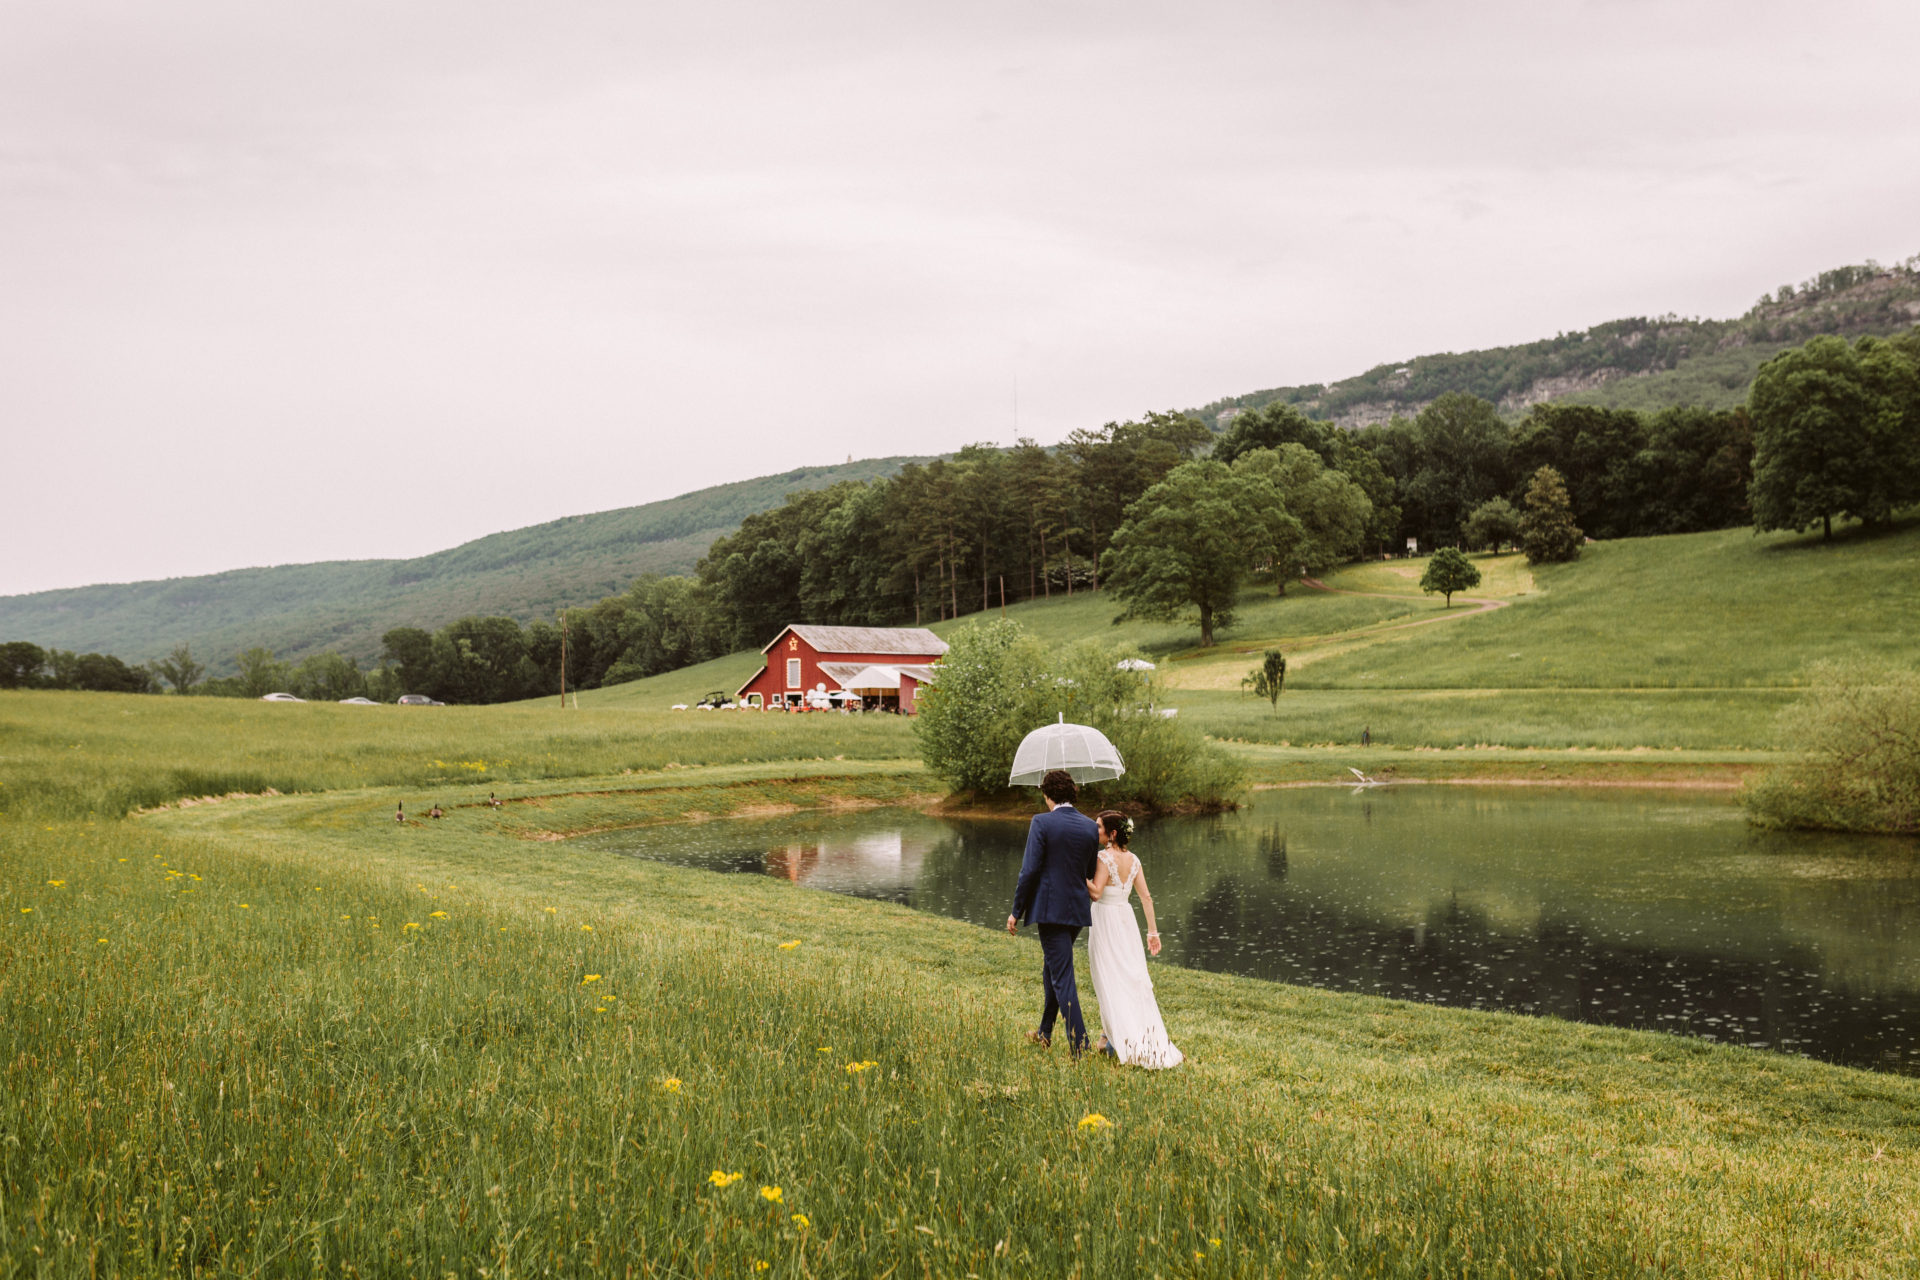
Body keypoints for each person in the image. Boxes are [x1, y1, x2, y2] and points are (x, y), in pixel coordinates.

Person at [1006, 769, 1100, 1055]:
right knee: (1052, 970)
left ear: (1048, 795)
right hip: (1076, 912)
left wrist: (1016, 911)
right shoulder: (1088, 826)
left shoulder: (1042, 823)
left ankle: (1080, 1043)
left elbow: (1029, 870)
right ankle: (1044, 1032)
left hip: (1050, 911)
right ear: (1071, 793)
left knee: (1061, 976)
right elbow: (1088, 871)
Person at [1084, 811, 1183, 1068]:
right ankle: (1108, 1037)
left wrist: (1074, 872)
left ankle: (1117, 1038)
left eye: (1099, 827)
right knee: (1128, 975)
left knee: (1108, 977)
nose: (1095, 831)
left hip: (1106, 920)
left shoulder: (1103, 857)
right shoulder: (1135, 860)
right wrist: (1152, 932)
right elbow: (1146, 897)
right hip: (1127, 922)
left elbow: (1095, 893)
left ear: (1112, 833)